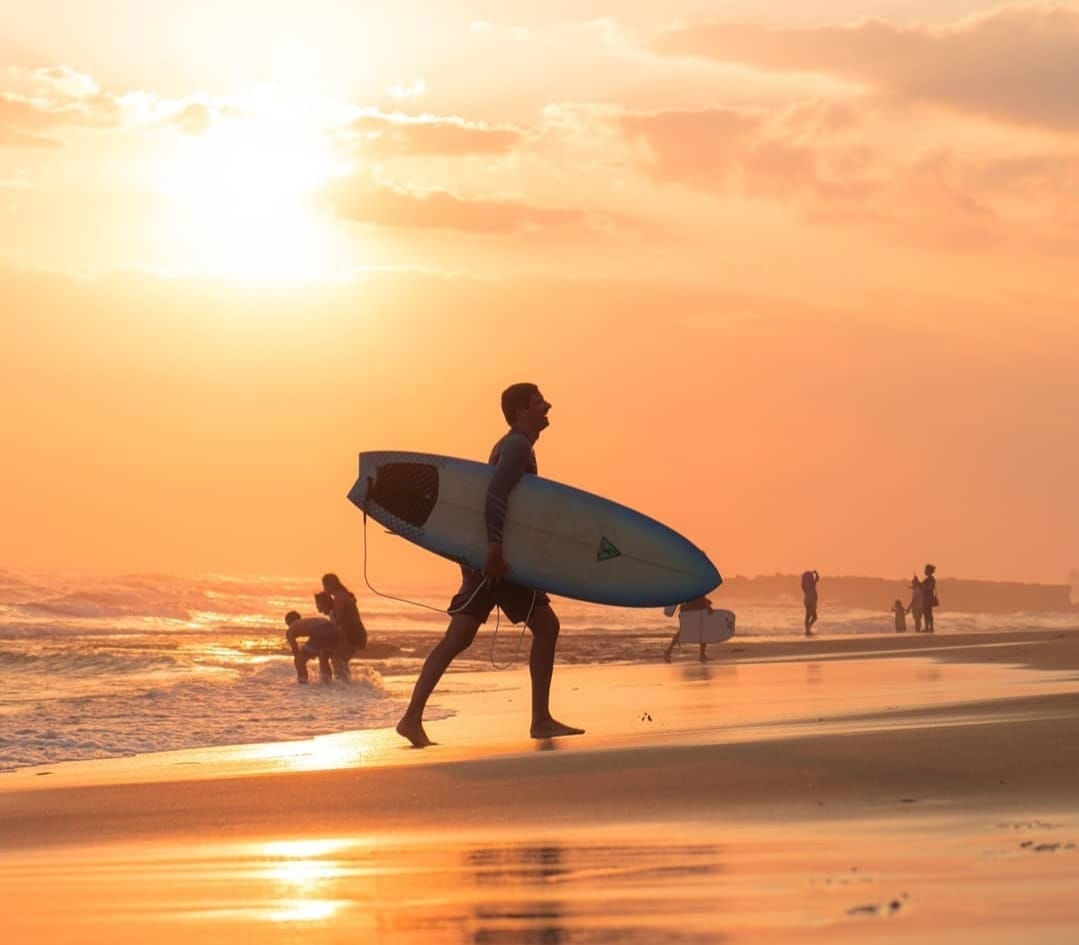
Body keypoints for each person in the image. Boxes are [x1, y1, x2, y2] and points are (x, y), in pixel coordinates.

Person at [395, 383, 584, 748]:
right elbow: (495, 495)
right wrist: (496, 548)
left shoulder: (510, 444)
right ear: (520, 411)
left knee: (460, 637)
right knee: (545, 627)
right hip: (499, 562)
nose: (547, 405)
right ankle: (540, 720)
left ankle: (412, 717)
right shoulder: (516, 446)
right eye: (537, 402)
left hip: (491, 558)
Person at [320, 573, 367, 682]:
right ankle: (346, 687)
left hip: (353, 632)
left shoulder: (339, 597)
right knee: (341, 661)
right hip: (353, 631)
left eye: (325, 586)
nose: (324, 588)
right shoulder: (342, 595)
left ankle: (343, 687)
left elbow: (338, 620)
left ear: (331, 585)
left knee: (337, 660)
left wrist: (329, 611)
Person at [284, 610, 339, 683]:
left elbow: (295, 650)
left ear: (288, 623)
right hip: (333, 629)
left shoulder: (291, 629)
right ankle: (327, 683)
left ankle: (303, 683)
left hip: (320, 630)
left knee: (300, 660)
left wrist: (299, 657)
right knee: (324, 658)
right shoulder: (306, 622)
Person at [663, 595, 714, 662]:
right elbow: (700, 596)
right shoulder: (697, 587)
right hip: (693, 609)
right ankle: (668, 651)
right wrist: (707, 606)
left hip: (688, 609)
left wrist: (707, 606)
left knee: (695, 630)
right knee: (699, 630)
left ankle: (668, 651)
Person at [801, 570, 820, 635]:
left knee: (808, 616)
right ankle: (808, 629)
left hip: (807, 602)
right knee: (814, 617)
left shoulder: (804, 586)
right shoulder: (811, 584)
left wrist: (812, 573)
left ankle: (807, 630)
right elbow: (817, 578)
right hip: (811, 602)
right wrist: (815, 572)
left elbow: (817, 579)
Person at [921, 564, 938, 633]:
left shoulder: (931, 579)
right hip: (926, 598)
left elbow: (929, 588)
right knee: (926, 613)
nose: (924, 570)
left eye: (926, 569)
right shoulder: (928, 579)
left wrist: (922, 586)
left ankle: (929, 628)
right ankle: (928, 627)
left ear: (929, 571)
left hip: (928, 598)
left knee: (928, 613)